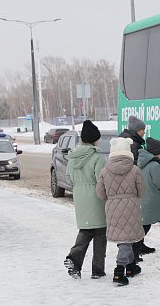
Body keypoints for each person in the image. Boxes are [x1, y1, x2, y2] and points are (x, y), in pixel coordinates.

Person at [96, 137, 146, 286]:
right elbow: (142, 191)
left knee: (124, 238)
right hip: (131, 205)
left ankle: (130, 267)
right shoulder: (135, 169)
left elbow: (100, 193)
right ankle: (119, 271)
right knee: (126, 239)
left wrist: (112, 198)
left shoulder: (105, 171)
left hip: (112, 206)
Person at [63, 120, 107, 280]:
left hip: (80, 198)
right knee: (100, 233)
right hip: (96, 198)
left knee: (86, 230)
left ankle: (74, 261)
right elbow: (101, 181)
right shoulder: (97, 158)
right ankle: (97, 270)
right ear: (95, 139)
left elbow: (68, 177)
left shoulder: (73, 157)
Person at [120, 115, 152, 258]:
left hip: (128, 188)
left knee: (137, 219)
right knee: (135, 220)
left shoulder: (130, 141)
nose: (144, 132)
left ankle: (139, 245)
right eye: (143, 130)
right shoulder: (133, 145)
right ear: (137, 130)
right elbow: (135, 167)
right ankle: (135, 250)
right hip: (131, 189)